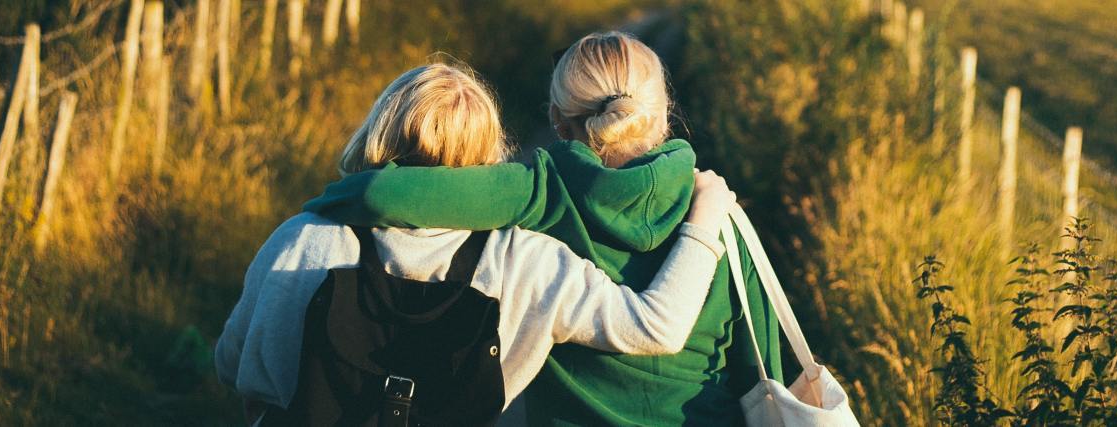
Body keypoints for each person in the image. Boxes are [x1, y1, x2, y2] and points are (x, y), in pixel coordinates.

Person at [302, 32, 787, 425]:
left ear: (557, 121)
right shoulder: (719, 214)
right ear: (663, 115)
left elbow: (375, 195)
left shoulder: (541, 190)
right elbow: (762, 377)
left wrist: (322, 203)